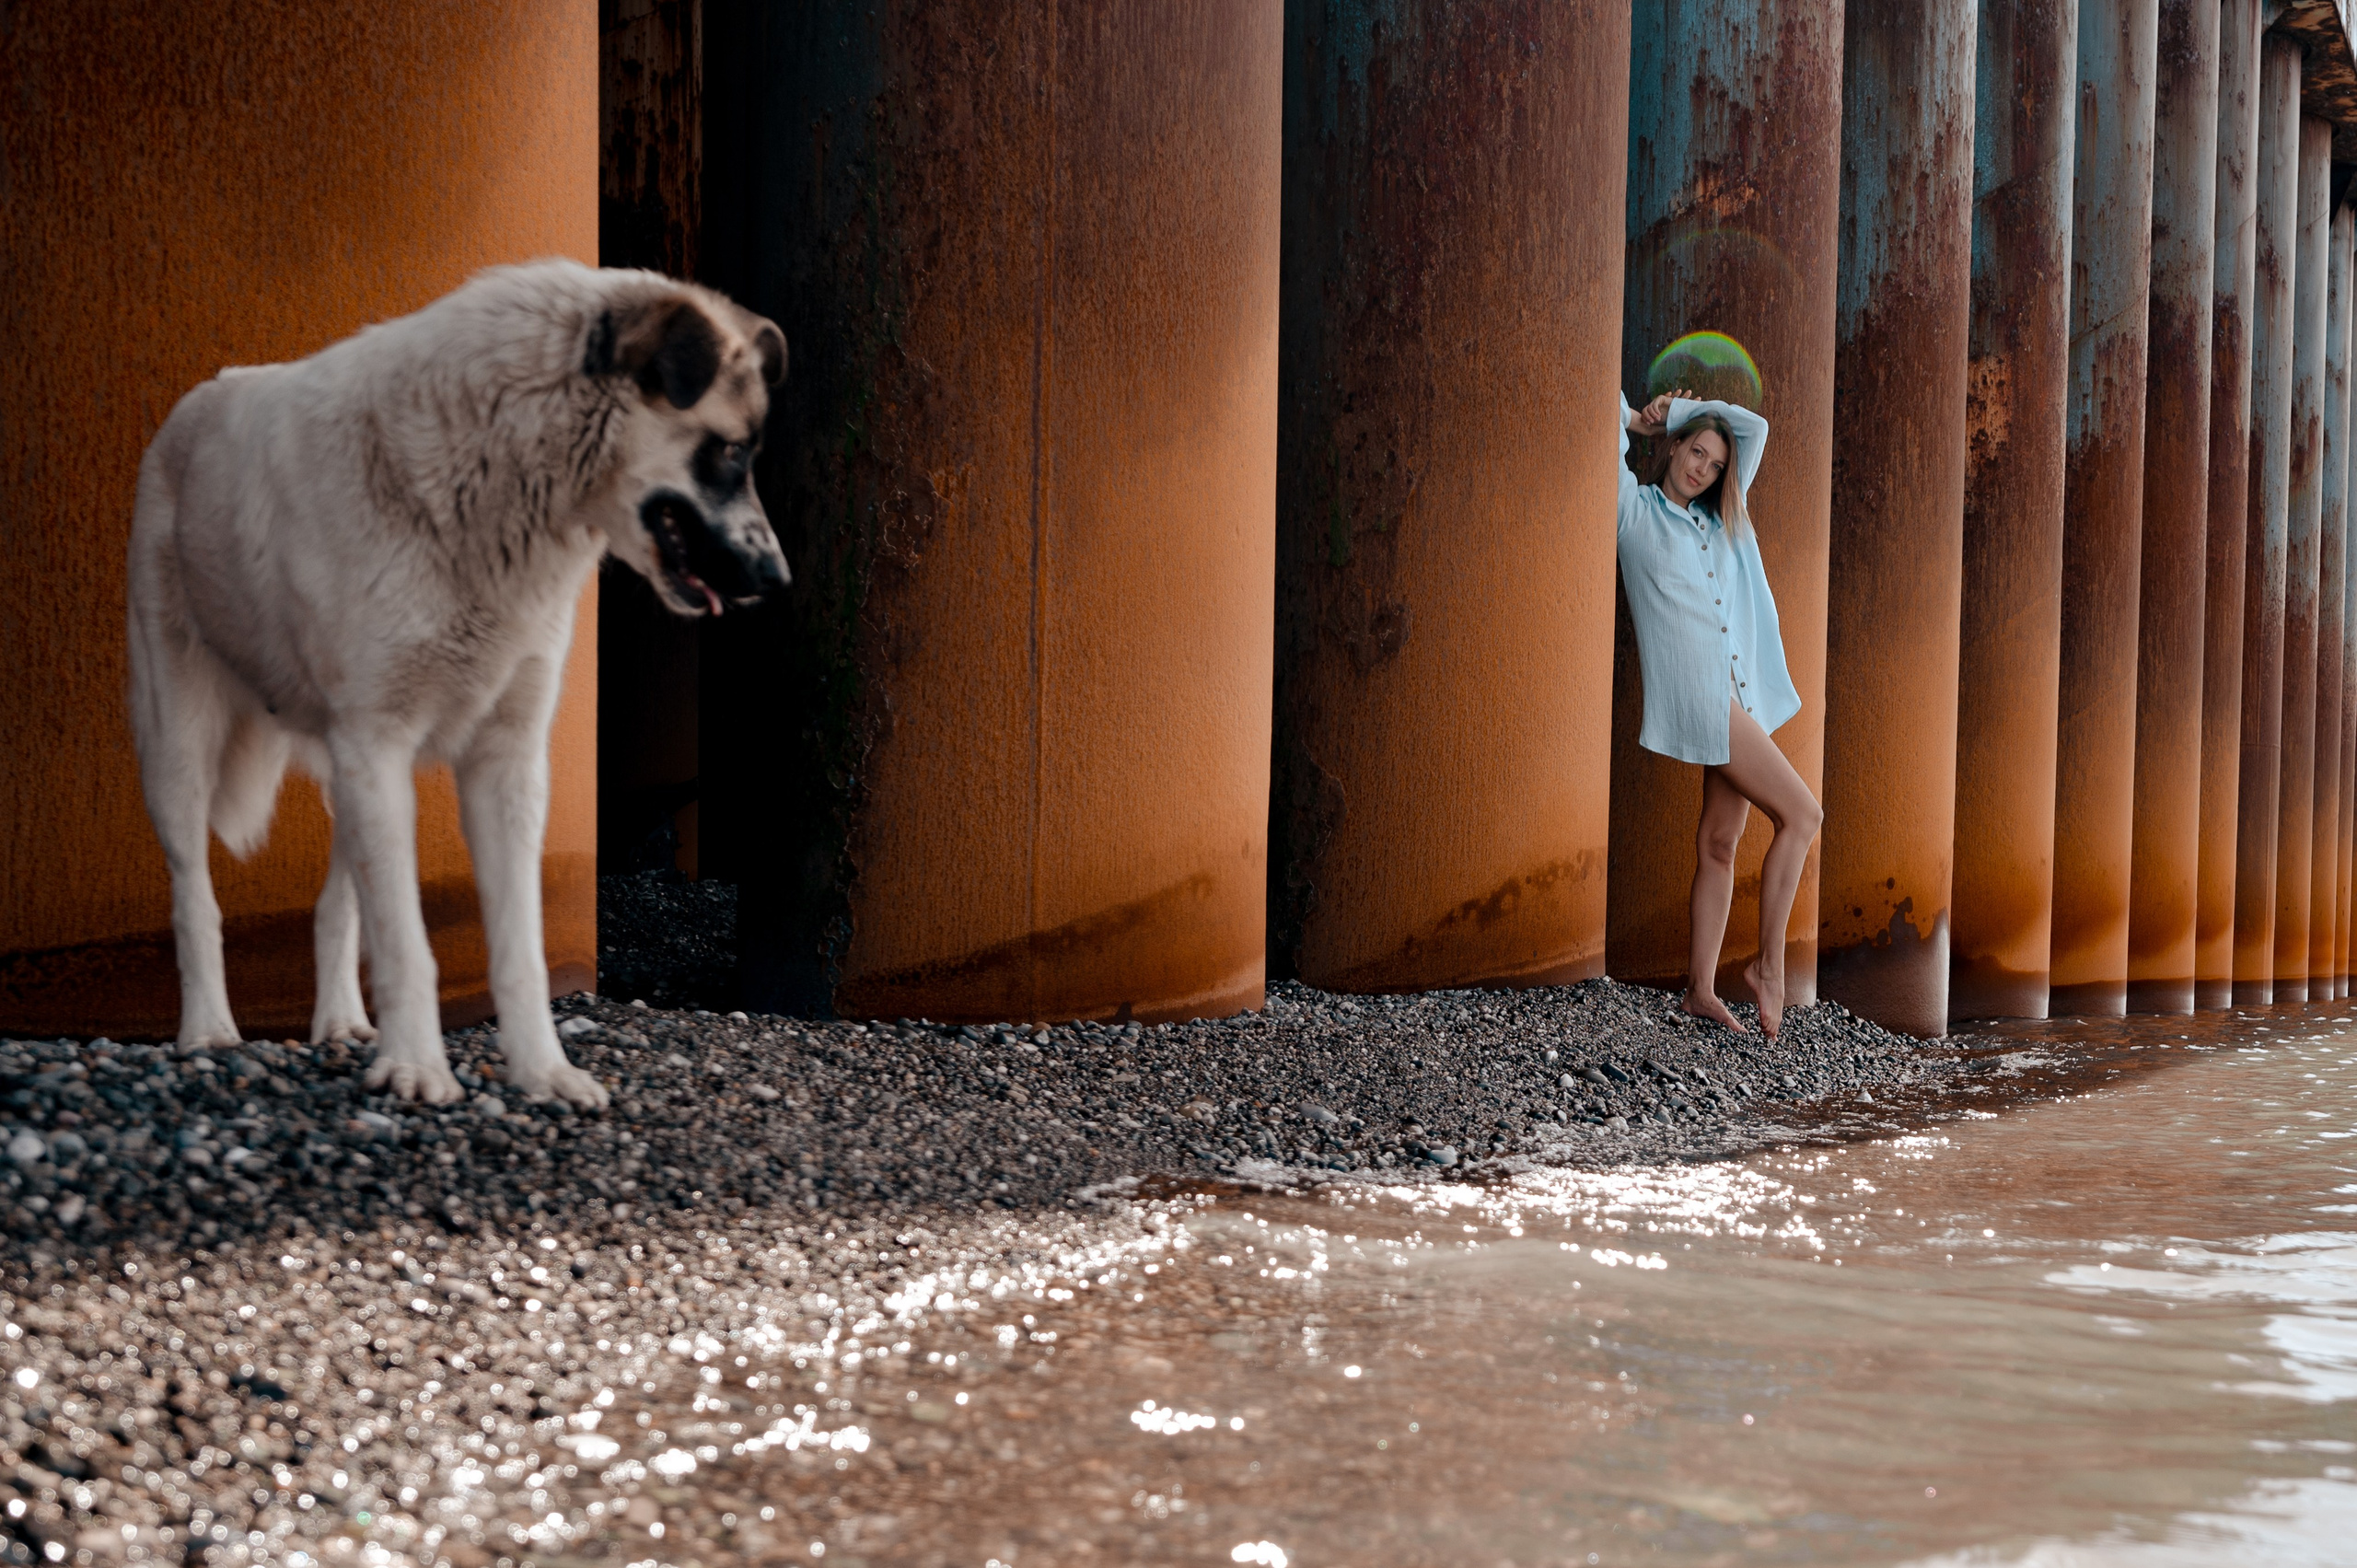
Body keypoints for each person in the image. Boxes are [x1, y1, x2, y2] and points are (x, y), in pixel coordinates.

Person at [1619, 383, 1821, 1040]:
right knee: (1803, 812)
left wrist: (1687, 414)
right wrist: (1641, 419)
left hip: (1741, 696)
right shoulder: (1633, 512)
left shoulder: (1725, 520)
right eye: (1695, 450)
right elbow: (1594, 409)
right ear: (1674, 447)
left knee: (1718, 842)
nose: (1701, 467)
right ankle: (1769, 966)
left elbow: (1754, 429)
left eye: (1713, 463)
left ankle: (1700, 989)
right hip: (1700, 695)